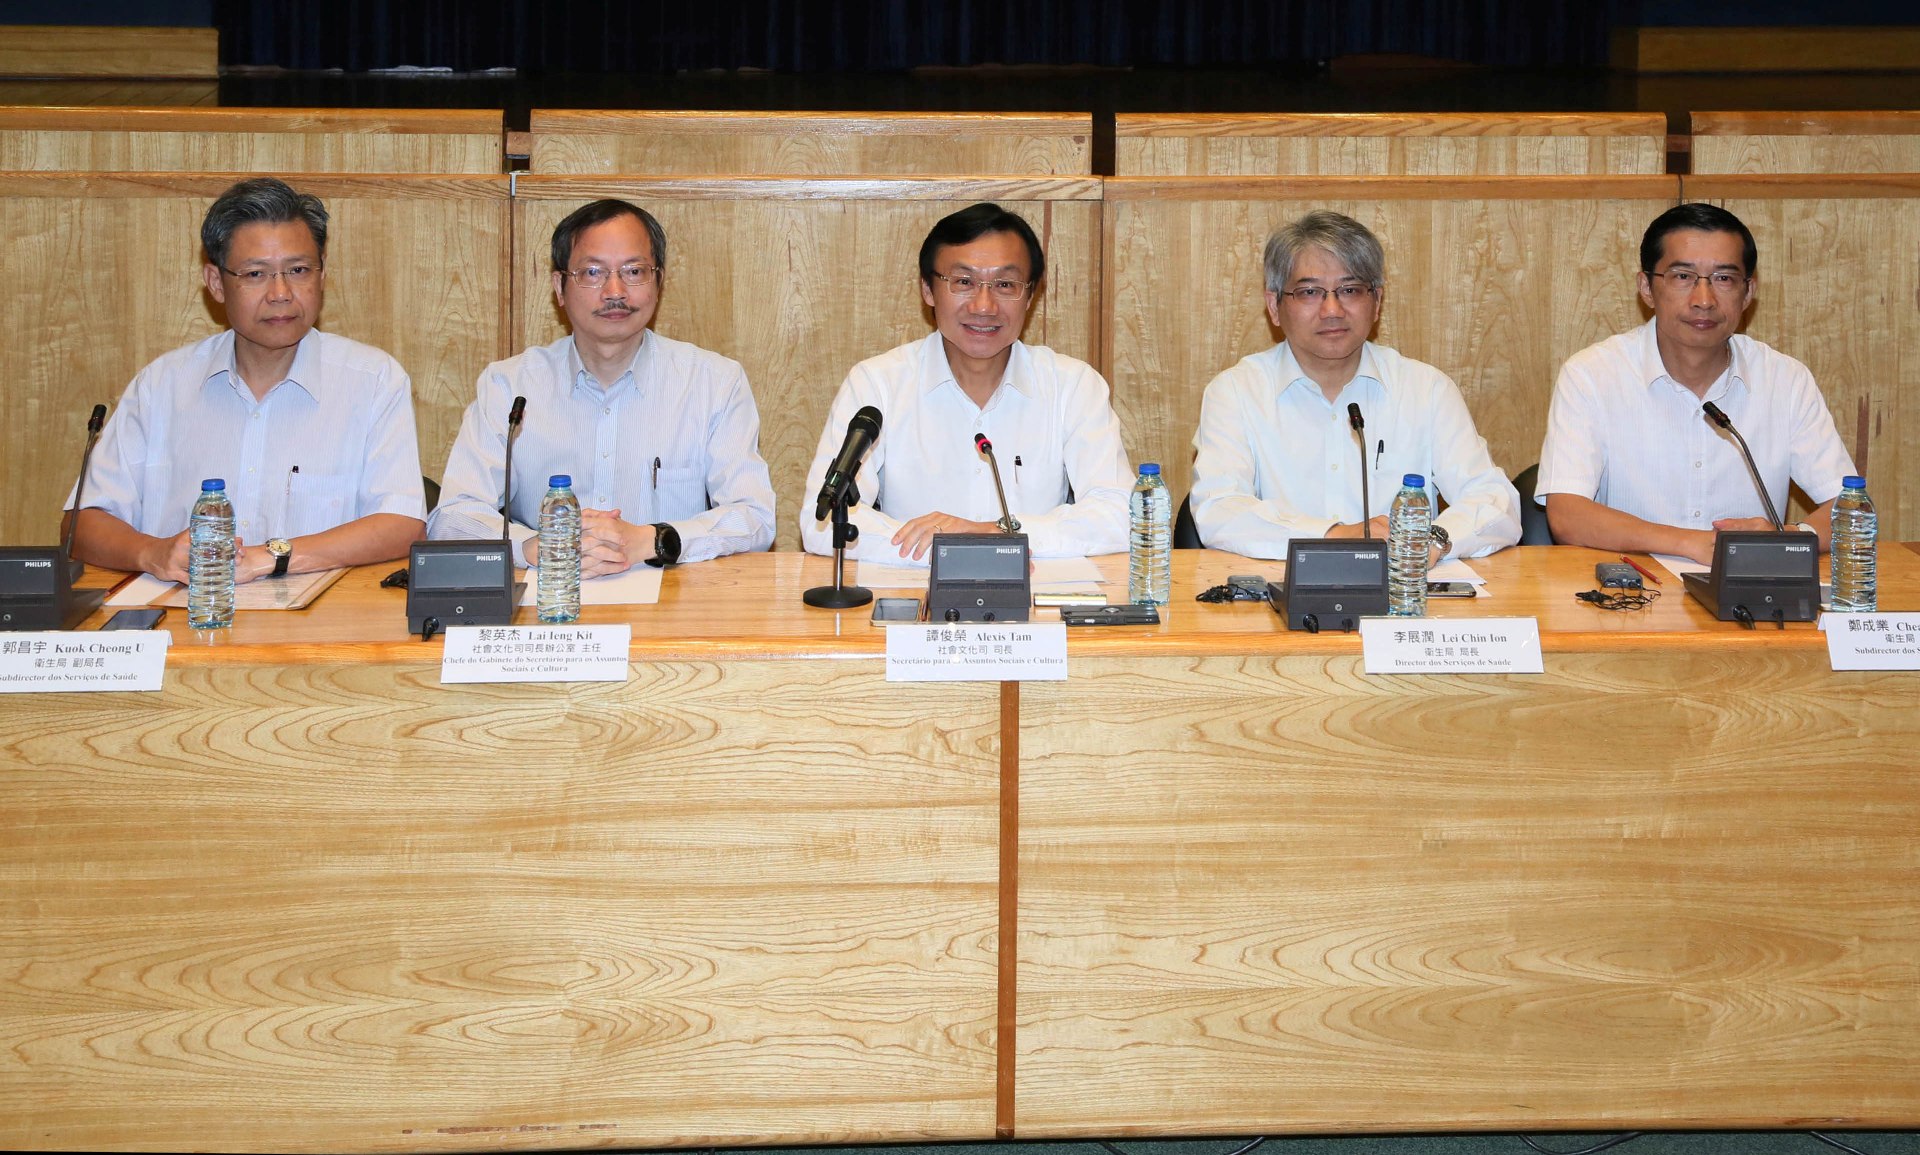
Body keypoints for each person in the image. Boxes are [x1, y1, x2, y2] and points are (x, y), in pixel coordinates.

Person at [71, 177, 425, 584]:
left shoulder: (373, 381)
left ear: (322, 274)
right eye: (256, 274)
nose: (281, 293)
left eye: (298, 270)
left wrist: (272, 556)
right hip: (189, 611)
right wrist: (154, 553)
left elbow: (403, 525)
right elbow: (82, 523)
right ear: (216, 283)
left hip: (320, 617)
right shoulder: (161, 386)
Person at [431, 199, 775, 571]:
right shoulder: (509, 386)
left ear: (658, 282)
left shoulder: (714, 382)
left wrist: (653, 539)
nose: (615, 291)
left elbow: (754, 517)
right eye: (593, 272)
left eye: (634, 271)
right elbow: (453, 517)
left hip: (671, 595)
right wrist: (536, 547)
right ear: (560, 287)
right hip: (551, 590)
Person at [800, 202, 1130, 562]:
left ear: (1030, 295)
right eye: (963, 282)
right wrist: (947, 549)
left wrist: (997, 533)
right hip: (913, 593)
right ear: (928, 290)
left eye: (1005, 284)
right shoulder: (878, 384)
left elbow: (1122, 515)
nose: (984, 306)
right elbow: (824, 521)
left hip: (1036, 594)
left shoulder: (1073, 386)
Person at [1190, 210, 1519, 562]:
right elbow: (1219, 509)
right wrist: (1331, 536)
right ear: (1274, 306)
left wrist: (1432, 540)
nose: (1332, 310)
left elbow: (1496, 502)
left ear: (1376, 302)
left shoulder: (1426, 389)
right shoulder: (1236, 393)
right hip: (1279, 591)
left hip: (1399, 590)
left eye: (1350, 290)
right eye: (1310, 292)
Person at [1536, 203, 1856, 564]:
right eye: (1683, 276)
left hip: (1748, 588)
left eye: (1724, 279)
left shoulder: (1785, 380)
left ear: (1748, 292)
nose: (1704, 300)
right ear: (1646, 287)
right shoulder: (1592, 375)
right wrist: (1691, 543)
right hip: (1630, 589)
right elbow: (1567, 514)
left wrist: (1787, 538)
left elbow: (1851, 509)